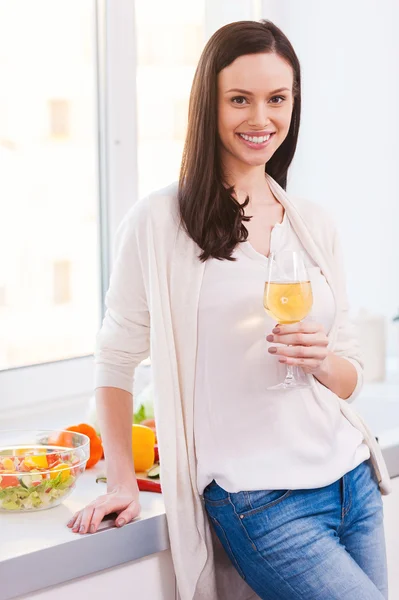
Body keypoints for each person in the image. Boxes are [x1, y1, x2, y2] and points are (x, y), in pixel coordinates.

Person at [66, 20, 392, 600]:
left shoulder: (312, 222)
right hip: (261, 503)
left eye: (277, 99)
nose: (260, 118)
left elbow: (347, 376)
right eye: (239, 99)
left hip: (352, 484)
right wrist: (122, 481)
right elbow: (115, 359)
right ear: (208, 105)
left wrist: (320, 362)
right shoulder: (160, 223)